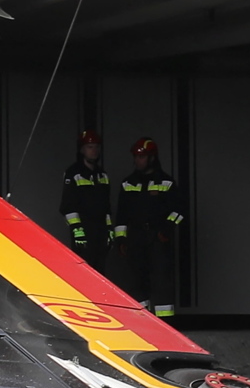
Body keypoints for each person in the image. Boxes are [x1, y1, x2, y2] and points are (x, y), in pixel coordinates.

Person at [113, 136, 186, 318]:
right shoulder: (128, 183)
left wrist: (167, 229)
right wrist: (121, 239)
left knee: (162, 283)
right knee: (137, 284)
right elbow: (121, 215)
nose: (138, 161)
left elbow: (179, 211)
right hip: (136, 239)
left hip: (158, 240)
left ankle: (167, 327)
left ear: (152, 158)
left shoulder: (166, 183)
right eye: (136, 157)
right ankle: (142, 325)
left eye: (142, 157)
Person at [59, 130, 116, 273]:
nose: (94, 150)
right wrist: (77, 229)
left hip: (101, 231)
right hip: (84, 230)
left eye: (97, 146)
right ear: (82, 149)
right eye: (90, 147)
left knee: (100, 270)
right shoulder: (73, 173)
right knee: (84, 271)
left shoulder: (102, 174)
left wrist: (109, 229)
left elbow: (107, 206)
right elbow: (68, 205)